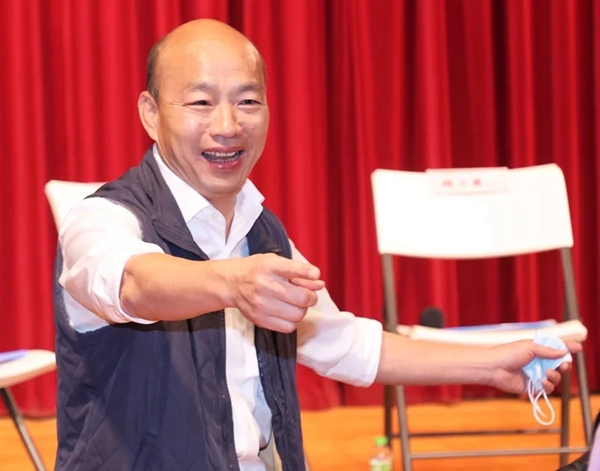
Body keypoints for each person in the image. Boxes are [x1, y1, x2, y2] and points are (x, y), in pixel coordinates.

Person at [53, 18, 579, 471]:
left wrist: (491, 365)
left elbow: (344, 342)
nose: (227, 126)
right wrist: (231, 282)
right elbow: (135, 283)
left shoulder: (262, 233)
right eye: (201, 103)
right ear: (150, 113)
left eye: (247, 101)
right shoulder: (101, 220)